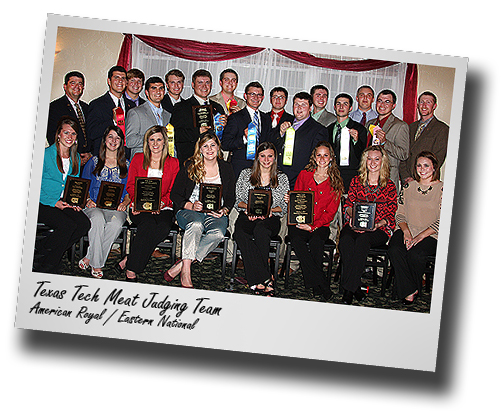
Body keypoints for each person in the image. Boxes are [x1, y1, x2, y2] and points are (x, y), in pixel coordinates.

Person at [164, 132, 235, 288]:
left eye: (213, 145)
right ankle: (186, 272)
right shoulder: (190, 166)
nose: (209, 149)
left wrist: (224, 210)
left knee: (218, 233)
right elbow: (175, 193)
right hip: (190, 212)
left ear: (218, 147)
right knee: (196, 225)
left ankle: (183, 263)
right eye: (205, 146)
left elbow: (231, 198)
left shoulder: (226, 167)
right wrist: (190, 205)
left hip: (215, 214)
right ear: (200, 149)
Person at [116, 125, 179, 281]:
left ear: (165, 142)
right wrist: (137, 202)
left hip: (164, 207)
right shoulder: (138, 158)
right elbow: (130, 185)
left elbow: (173, 191)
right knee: (149, 225)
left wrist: (162, 203)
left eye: (159, 139)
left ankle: (130, 258)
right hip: (140, 206)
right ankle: (132, 269)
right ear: (147, 142)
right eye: (152, 140)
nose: (155, 143)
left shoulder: (174, 163)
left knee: (163, 228)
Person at [339, 145, 397, 305]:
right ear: (365, 161)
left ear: (383, 162)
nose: (372, 162)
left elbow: (391, 214)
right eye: (369, 159)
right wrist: (352, 219)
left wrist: (377, 225)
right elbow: (348, 205)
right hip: (355, 225)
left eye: (376, 159)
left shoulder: (390, 186)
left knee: (363, 242)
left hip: (379, 229)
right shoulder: (356, 182)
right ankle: (356, 286)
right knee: (345, 241)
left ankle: (348, 290)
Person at [287, 141, 344, 301]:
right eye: (319, 155)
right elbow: (297, 198)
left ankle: (313, 282)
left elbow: (331, 213)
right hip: (299, 222)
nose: (322, 158)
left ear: (331, 157)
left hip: (320, 225)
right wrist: (290, 199)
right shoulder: (304, 175)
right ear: (314, 157)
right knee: (297, 240)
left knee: (317, 243)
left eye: (326, 155)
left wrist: (313, 226)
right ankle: (321, 284)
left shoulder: (336, 182)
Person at [35, 117, 91, 273]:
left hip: (63, 202)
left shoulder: (76, 158)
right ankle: (50, 264)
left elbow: (74, 186)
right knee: (67, 226)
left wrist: (76, 202)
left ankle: (43, 248)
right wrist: (53, 202)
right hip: (43, 202)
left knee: (84, 224)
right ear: (58, 134)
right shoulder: (45, 155)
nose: (69, 137)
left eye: (73, 134)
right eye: (66, 132)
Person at [233, 142, 289, 296]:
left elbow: (283, 208)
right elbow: (238, 200)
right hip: (247, 215)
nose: (266, 159)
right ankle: (266, 277)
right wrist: (250, 209)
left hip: (270, 218)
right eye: (262, 156)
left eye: (270, 156)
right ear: (257, 157)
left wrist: (270, 210)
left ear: (275, 157)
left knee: (261, 231)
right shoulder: (245, 174)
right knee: (239, 234)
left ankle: (256, 280)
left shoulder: (282, 178)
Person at [388, 151, 442, 304]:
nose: (422, 169)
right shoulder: (408, 186)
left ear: (434, 168)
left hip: (431, 234)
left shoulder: (443, 189)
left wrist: (419, 237)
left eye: (426, 165)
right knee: (394, 249)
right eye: (419, 165)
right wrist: (406, 232)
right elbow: (399, 213)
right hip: (407, 229)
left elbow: (443, 219)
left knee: (415, 254)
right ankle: (411, 289)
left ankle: (404, 289)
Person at [79, 125, 130, 278]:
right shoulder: (94, 161)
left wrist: (124, 203)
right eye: (110, 137)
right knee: (98, 219)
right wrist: (88, 199)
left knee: (116, 223)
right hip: (94, 206)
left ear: (121, 142)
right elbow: (84, 185)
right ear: (105, 140)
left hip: (116, 208)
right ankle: (97, 264)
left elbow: (129, 192)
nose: (113, 141)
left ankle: (90, 256)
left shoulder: (126, 165)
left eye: (117, 138)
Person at [170, 69, 227, 165]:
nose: (204, 86)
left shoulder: (217, 107)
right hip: (190, 160)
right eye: (200, 83)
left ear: (211, 85)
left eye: (207, 83)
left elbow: (223, 138)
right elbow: (175, 134)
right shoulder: (182, 107)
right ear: (193, 85)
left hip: (213, 161)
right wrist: (197, 131)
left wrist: (223, 127)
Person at [221, 81, 274, 178]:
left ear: (262, 98)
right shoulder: (235, 117)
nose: (256, 98)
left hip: (262, 168)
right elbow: (225, 144)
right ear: (245, 96)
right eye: (252, 94)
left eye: (259, 95)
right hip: (240, 167)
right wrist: (244, 138)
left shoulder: (266, 118)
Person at [277, 91, 329, 188]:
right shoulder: (286, 123)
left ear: (310, 108)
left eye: (303, 105)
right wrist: (281, 134)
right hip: (279, 177)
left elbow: (315, 160)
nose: (299, 108)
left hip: (299, 180)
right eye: (296, 104)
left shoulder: (318, 130)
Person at [400, 91, 449, 184]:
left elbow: (438, 158)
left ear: (434, 106)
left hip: (426, 181)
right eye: (422, 102)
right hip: (407, 181)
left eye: (428, 102)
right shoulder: (410, 127)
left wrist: (419, 178)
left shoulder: (442, 129)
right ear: (417, 105)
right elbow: (404, 153)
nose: (424, 105)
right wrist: (406, 176)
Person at [366, 89, 409, 191]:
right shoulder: (370, 124)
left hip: (387, 178)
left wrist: (385, 142)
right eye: (380, 100)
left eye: (387, 102)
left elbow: (404, 154)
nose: (382, 104)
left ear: (393, 105)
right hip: (368, 176)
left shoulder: (400, 126)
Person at [87, 66, 134, 156]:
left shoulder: (131, 106)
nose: (120, 81)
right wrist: (112, 121)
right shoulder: (97, 104)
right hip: (104, 156)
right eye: (116, 77)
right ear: (109, 81)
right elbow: (92, 132)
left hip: (125, 156)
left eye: (123, 78)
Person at [47, 71, 91, 165]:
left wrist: (90, 154)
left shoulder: (87, 108)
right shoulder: (55, 107)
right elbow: (52, 135)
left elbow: (90, 132)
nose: (77, 86)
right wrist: (72, 156)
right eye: (72, 83)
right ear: (65, 86)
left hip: (87, 161)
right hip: (66, 160)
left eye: (80, 84)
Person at [327, 93, 367, 192]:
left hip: (351, 175)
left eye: (345, 104)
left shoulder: (359, 129)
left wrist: (356, 140)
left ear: (350, 108)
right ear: (334, 107)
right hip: (331, 174)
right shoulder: (328, 129)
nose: (341, 107)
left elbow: (362, 154)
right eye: (338, 104)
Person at [126, 76, 171, 158]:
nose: (158, 92)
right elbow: (130, 141)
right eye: (154, 88)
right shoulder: (136, 112)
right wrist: (153, 139)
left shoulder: (167, 115)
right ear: (146, 92)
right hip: (142, 161)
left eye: (161, 88)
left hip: (163, 162)